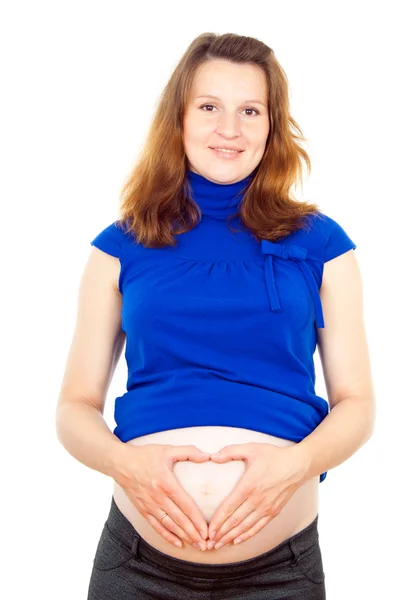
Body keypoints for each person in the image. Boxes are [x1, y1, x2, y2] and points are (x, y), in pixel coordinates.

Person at [56, 32, 376, 600]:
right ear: (178, 118)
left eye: (250, 110)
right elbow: (74, 408)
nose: (229, 129)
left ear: (271, 126)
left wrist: (295, 465)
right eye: (209, 107)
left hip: (280, 571)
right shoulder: (120, 246)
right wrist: (125, 464)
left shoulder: (323, 244)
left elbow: (357, 405)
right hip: (137, 566)